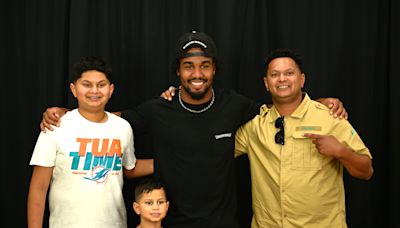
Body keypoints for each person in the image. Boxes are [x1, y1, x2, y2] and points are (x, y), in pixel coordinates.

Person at [39, 31, 347, 228]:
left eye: (204, 65)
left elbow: (280, 109)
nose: (196, 73)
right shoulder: (158, 109)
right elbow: (110, 118)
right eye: (189, 65)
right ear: (178, 71)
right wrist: (69, 113)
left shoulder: (235, 105)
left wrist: (319, 103)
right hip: (170, 222)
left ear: (214, 69)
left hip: (224, 224)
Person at [234, 49, 374, 228]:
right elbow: (218, 149)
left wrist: (341, 151)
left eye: (289, 73)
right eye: (275, 74)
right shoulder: (254, 126)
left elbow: (366, 171)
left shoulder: (330, 117)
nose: (282, 79)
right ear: (266, 83)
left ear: (302, 80)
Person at [27, 56, 153, 228]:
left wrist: (167, 162)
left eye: (101, 85)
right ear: (73, 89)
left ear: (111, 90)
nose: (94, 90)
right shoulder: (55, 126)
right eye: (86, 84)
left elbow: (128, 169)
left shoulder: (122, 128)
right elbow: (39, 188)